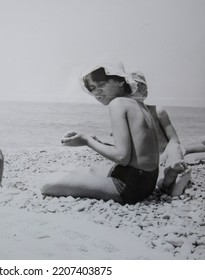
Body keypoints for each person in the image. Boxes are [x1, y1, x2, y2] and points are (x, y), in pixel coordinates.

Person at [41, 61, 160, 205]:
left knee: (48, 183)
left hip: (127, 187)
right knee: (90, 170)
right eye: (92, 88)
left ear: (120, 81)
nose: (97, 91)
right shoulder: (139, 105)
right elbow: (136, 152)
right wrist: (98, 142)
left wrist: (87, 141)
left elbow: (121, 157)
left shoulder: (118, 104)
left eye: (101, 84)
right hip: (148, 182)